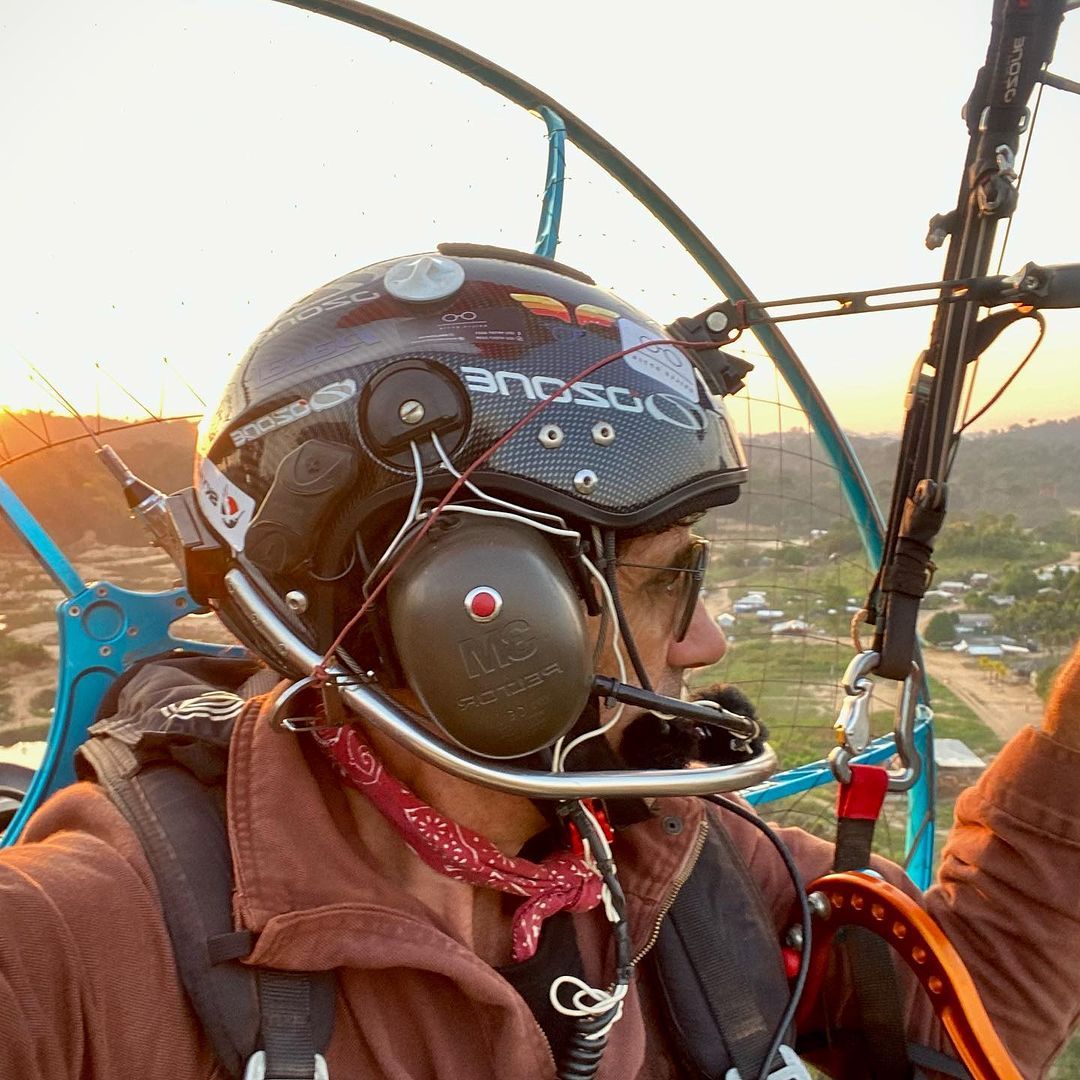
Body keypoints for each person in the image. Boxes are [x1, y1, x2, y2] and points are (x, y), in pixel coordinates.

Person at [2, 244, 1079, 1080]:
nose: (708, 644)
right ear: (474, 619)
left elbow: (972, 1018)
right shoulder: (87, 940)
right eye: (666, 583)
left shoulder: (682, 867)